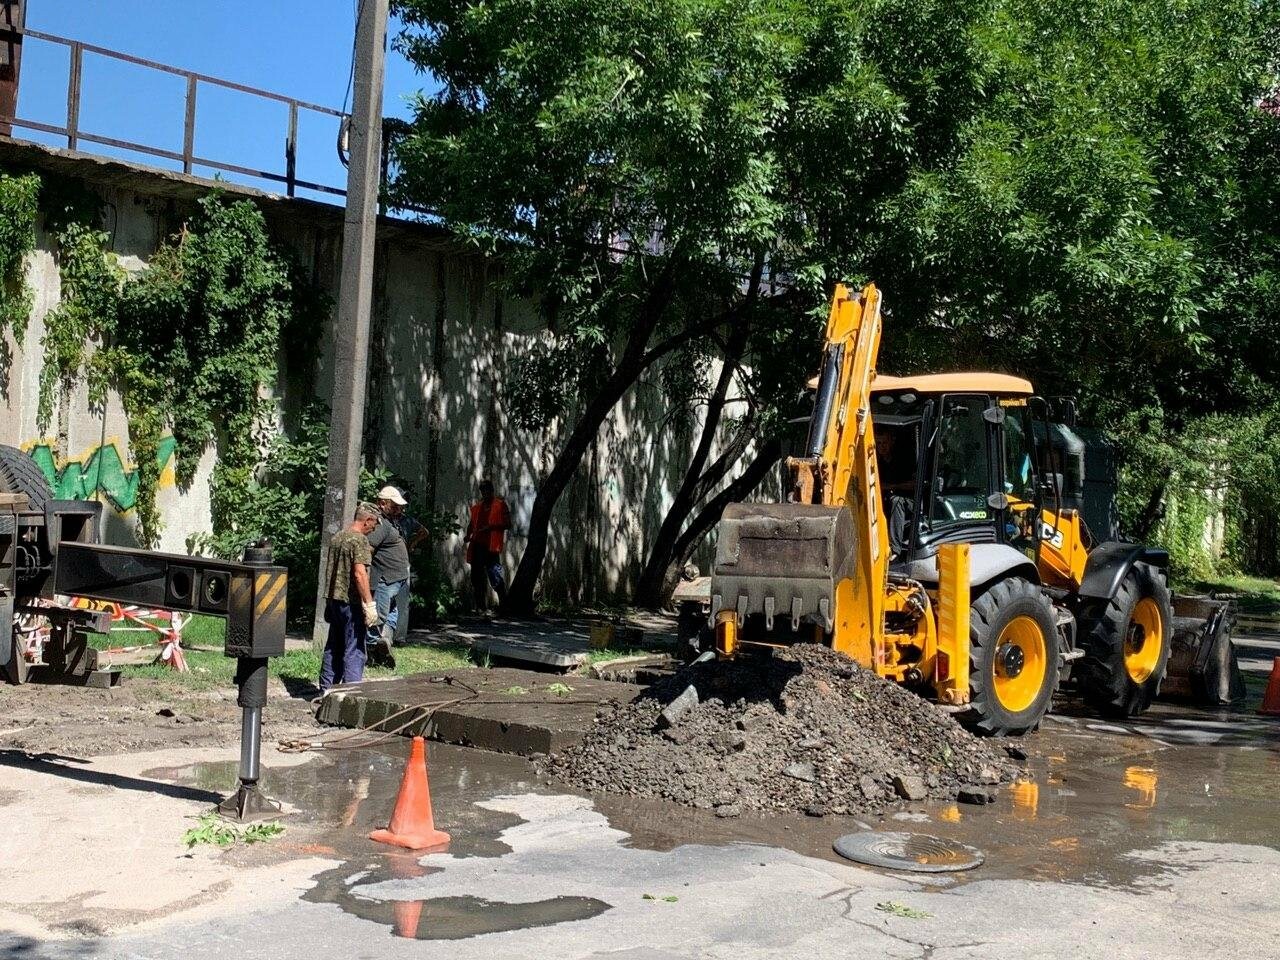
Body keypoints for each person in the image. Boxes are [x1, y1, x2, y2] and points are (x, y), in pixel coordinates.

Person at [319, 502, 381, 693]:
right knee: (354, 649)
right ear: (367, 520)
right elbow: (359, 574)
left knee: (333, 646)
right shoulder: (359, 540)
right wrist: (369, 604)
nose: (375, 528)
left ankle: (326, 691)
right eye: (375, 524)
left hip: (334, 600)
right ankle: (350, 694)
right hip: (351, 602)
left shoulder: (338, 537)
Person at [366, 485, 427, 657]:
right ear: (382, 503)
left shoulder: (393, 521)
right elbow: (368, 550)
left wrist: (411, 545)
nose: (399, 510)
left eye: (400, 506)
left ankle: (385, 641)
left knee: (392, 612)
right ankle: (371, 650)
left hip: (397, 579)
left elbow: (423, 532)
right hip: (385, 579)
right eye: (395, 506)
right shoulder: (380, 524)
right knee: (379, 616)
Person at [464, 478, 511, 612]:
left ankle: (504, 607)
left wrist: (491, 527)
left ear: (492, 491)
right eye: (482, 491)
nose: (485, 494)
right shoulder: (477, 507)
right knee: (476, 578)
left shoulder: (500, 505)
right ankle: (481, 607)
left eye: (487, 491)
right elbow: (471, 524)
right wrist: (468, 535)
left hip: (491, 547)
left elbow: (508, 524)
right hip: (477, 545)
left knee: (495, 576)